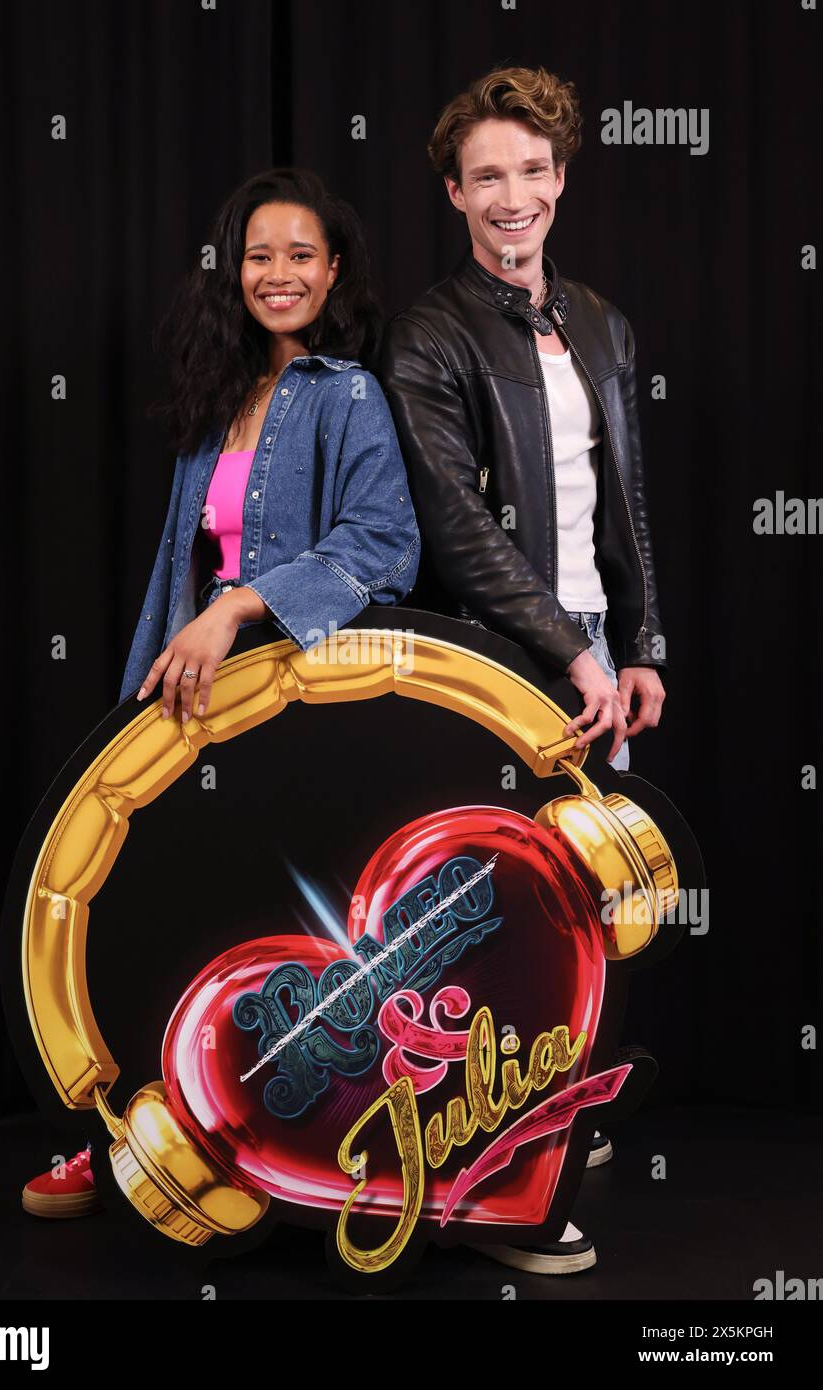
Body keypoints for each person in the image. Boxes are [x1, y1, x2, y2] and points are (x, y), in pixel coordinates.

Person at [21, 167, 419, 1220]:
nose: (277, 273)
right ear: (231, 272)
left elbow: (386, 546)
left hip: (286, 715)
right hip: (194, 712)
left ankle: (285, 1170)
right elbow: (176, 579)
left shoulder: (347, 395)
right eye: (258, 255)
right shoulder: (217, 402)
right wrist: (140, 699)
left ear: (333, 272)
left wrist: (242, 605)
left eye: (300, 254)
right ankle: (115, 1146)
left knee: (256, 944)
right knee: (150, 918)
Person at [379, 65, 669, 1273]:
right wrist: (561, 651)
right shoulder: (428, 330)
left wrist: (638, 644)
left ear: (561, 179)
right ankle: (493, 1197)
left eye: (532, 170)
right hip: (494, 659)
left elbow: (624, 501)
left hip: (592, 655)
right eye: (487, 175)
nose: (513, 196)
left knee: (575, 916)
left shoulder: (598, 319)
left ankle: (532, 1132)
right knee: (488, 925)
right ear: (454, 193)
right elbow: (457, 527)